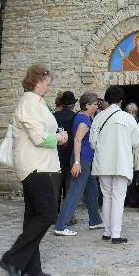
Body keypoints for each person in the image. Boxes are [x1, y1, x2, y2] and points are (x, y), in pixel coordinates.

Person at [0, 64, 67, 276]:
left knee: (33, 217)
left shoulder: (37, 102)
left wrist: (57, 136)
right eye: (47, 84)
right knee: (48, 213)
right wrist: (59, 138)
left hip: (39, 165)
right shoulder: (29, 102)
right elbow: (39, 138)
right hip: (35, 166)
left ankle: (32, 270)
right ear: (37, 82)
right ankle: (12, 259)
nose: (49, 88)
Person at [90, 85, 139, 244]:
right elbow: (137, 142)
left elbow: (92, 143)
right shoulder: (128, 118)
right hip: (121, 162)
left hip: (103, 163)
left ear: (106, 99)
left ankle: (107, 232)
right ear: (121, 100)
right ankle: (116, 234)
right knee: (118, 197)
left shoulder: (99, 117)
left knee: (106, 197)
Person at [53, 92, 104, 236]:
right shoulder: (83, 120)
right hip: (82, 161)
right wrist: (76, 162)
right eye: (94, 104)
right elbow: (77, 140)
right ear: (87, 105)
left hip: (86, 160)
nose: (96, 106)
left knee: (92, 190)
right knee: (74, 192)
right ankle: (60, 226)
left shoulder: (83, 116)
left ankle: (95, 220)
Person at [53, 90, 77, 215]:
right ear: (73, 104)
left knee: (55, 188)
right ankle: (68, 216)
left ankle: (54, 214)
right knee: (69, 189)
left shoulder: (54, 116)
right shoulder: (74, 117)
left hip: (55, 156)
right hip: (69, 156)